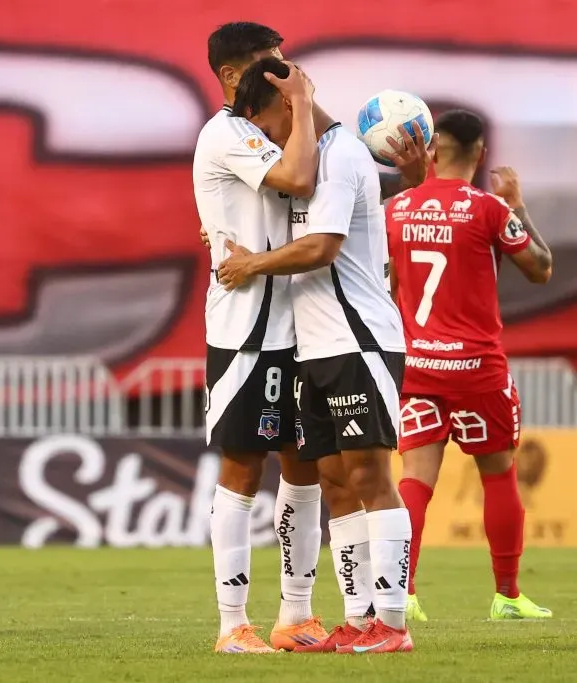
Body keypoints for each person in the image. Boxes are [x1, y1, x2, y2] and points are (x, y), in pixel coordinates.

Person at [196, 24, 430, 655]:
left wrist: (398, 183)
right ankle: (232, 623)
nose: (285, 68)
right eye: (269, 64)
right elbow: (303, 182)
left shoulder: (316, 138)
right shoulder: (232, 129)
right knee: (245, 467)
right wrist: (301, 106)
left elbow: (337, 191)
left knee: (312, 473)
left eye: (285, 61)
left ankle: (304, 614)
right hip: (248, 326)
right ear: (233, 77)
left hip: (306, 327)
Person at [384, 109, 554, 621]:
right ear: (480, 154)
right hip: (477, 368)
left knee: (415, 480)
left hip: (417, 365)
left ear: (433, 151)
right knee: (498, 475)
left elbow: (385, 283)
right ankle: (507, 595)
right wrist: (518, 207)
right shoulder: (489, 210)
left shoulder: (395, 209)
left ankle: (404, 595)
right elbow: (541, 268)